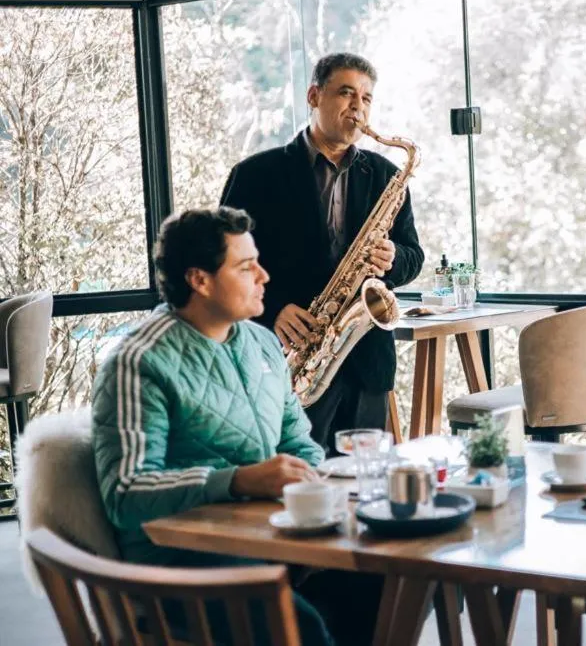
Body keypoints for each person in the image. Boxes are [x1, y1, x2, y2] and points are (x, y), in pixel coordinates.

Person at [92, 208, 382, 646]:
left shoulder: (263, 343)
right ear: (200, 280)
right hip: (177, 564)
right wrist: (238, 480)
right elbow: (126, 493)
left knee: (386, 582)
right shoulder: (138, 362)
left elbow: (297, 441)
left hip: (269, 540)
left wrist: (309, 488)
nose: (264, 277)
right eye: (246, 267)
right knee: (301, 626)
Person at [220, 52, 424, 450]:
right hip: (290, 356)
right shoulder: (255, 174)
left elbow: (413, 255)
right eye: (346, 93)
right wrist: (274, 308)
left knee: (364, 478)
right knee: (300, 477)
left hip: (366, 362)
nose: (358, 107)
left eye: (366, 98)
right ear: (314, 96)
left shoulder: (386, 175)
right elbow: (224, 262)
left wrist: (393, 257)